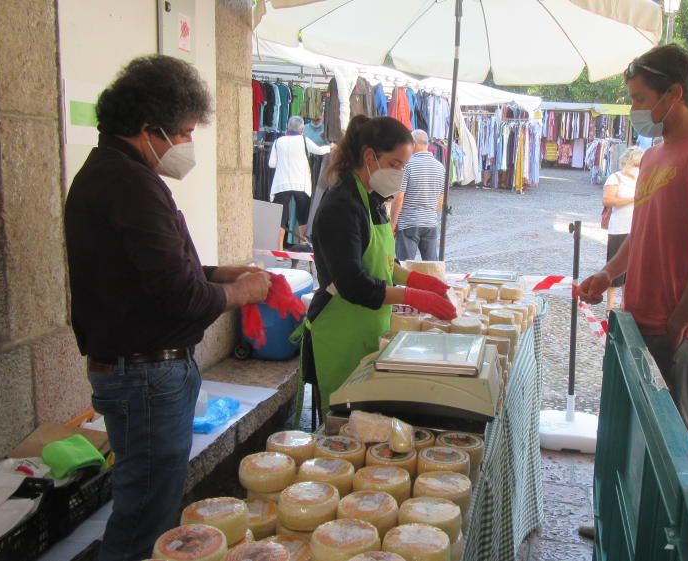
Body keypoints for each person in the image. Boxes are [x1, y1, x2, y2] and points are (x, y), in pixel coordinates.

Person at [64, 55, 272, 561]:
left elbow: (156, 275)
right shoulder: (132, 186)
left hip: (135, 371)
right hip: (145, 376)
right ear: (146, 127)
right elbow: (181, 298)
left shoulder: (108, 173)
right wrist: (244, 293)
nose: (185, 146)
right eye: (180, 133)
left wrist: (221, 272)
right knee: (144, 518)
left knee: (144, 503)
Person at [580, 44, 688, 436]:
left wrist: (680, 321)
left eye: (640, 98)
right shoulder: (652, 156)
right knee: (636, 436)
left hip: (676, 330)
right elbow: (643, 233)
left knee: (672, 443)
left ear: (674, 94)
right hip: (637, 319)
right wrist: (607, 272)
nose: (635, 109)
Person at [301, 115, 458, 415]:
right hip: (339, 332)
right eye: (395, 164)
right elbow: (353, 284)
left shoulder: (372, 199)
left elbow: (384, 262)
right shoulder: (341, 205)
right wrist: (413, 297)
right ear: (370, 156)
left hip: (369, 330)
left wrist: (418, 280)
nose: (400, 174)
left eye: (404, 167)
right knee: (343, 426)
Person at [269, 115, 331, 247]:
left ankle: (279, 249)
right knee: (303, 215)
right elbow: (319, 151)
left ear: (287, 128)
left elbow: (272, 164)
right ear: (302, 129)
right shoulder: (303, 140)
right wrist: (332, 147)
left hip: (282, 184)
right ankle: (304, 244)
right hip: (300, 184)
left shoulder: (277, 142)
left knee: (281, 217)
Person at [391, 129, 445, 261]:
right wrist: (430, 214)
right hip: (430, 223)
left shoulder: (408, 166)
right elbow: (441, 199)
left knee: (405, 267)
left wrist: (393, 222)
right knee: (431, 267)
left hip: (409, 223)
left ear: (413, 144)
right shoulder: (440, 167)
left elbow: (399, 197)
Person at [602, 146, 643, 310]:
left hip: (636, 227)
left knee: (632, 269)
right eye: (637, 164)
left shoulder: (641, 179)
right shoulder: (615, 178)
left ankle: (626, 303)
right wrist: (632, 199)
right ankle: (610, 305)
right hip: (619, 227)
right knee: (615, 266)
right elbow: (608, 200)